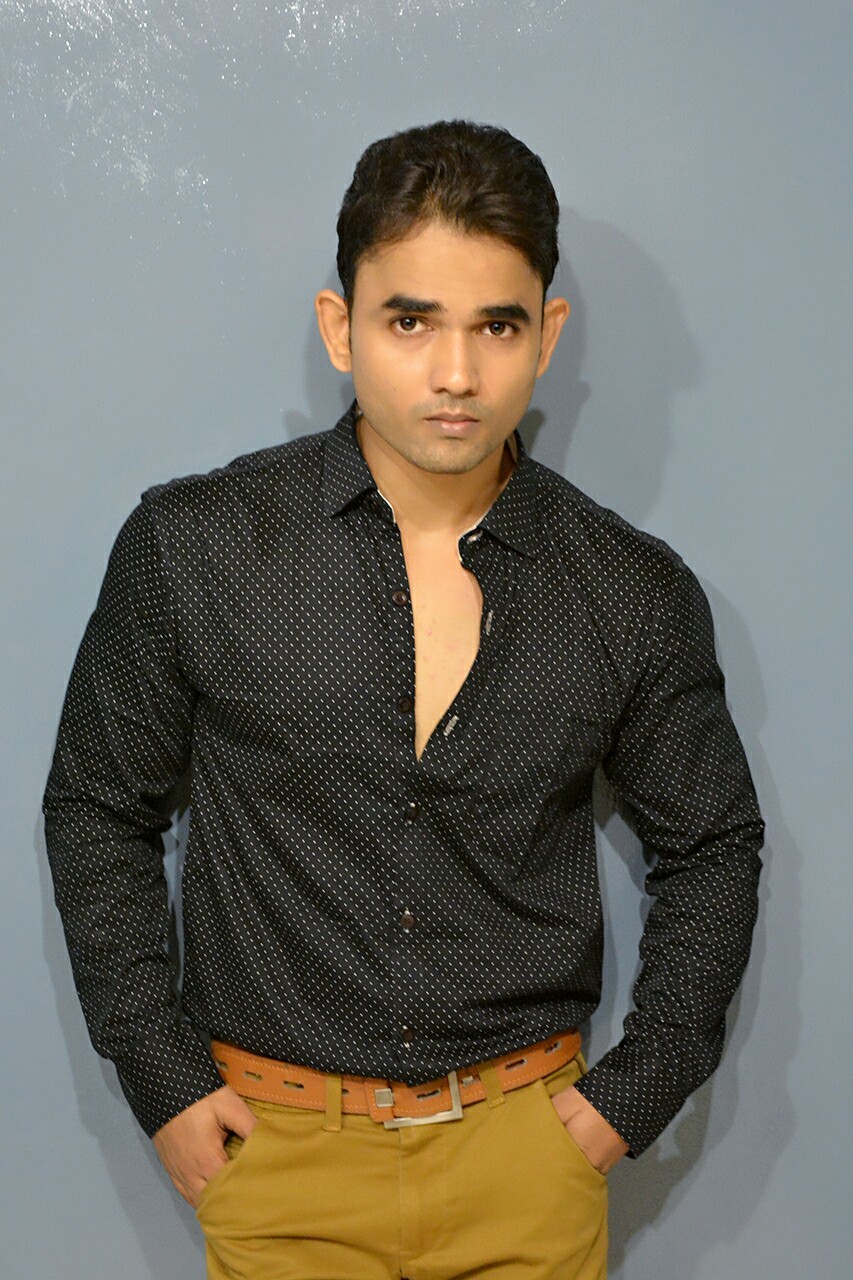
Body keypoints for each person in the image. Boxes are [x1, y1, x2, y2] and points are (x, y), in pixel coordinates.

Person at [42, 119, 764, 1280]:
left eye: (496, 325)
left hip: (527, 1161)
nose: (455, 373)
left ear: (546, 335)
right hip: (277, 1159)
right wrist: (164, 1079)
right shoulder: (195, 546)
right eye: (410, 320)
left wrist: (629, 1097)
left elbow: (714, 842)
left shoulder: (628, 590)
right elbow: (95, 808)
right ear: (342, 327)